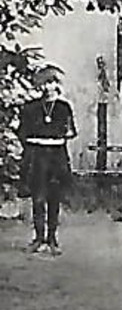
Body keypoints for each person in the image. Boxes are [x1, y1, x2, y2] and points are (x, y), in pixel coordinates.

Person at [17, 67, 76, 255]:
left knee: (54, 196)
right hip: (37, 156)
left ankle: (52, 238)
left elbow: (71, 131)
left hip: (56, 156)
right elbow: (23, 133)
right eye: (46, 83)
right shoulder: (30, 108)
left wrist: (60, 133)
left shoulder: (63, 107)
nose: (50, 87)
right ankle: (38, 237)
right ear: (39, 86)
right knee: (38, 197)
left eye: (53, 82)